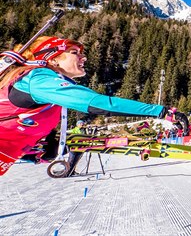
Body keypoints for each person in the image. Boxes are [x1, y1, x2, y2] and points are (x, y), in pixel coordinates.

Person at [0, 36, 166, 176]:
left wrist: (36, 151)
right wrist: (160, 111)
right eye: (74, 53)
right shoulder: (39, 80)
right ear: (52, 59)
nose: (83, 57)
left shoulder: (45, 90)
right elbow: (99, 104)